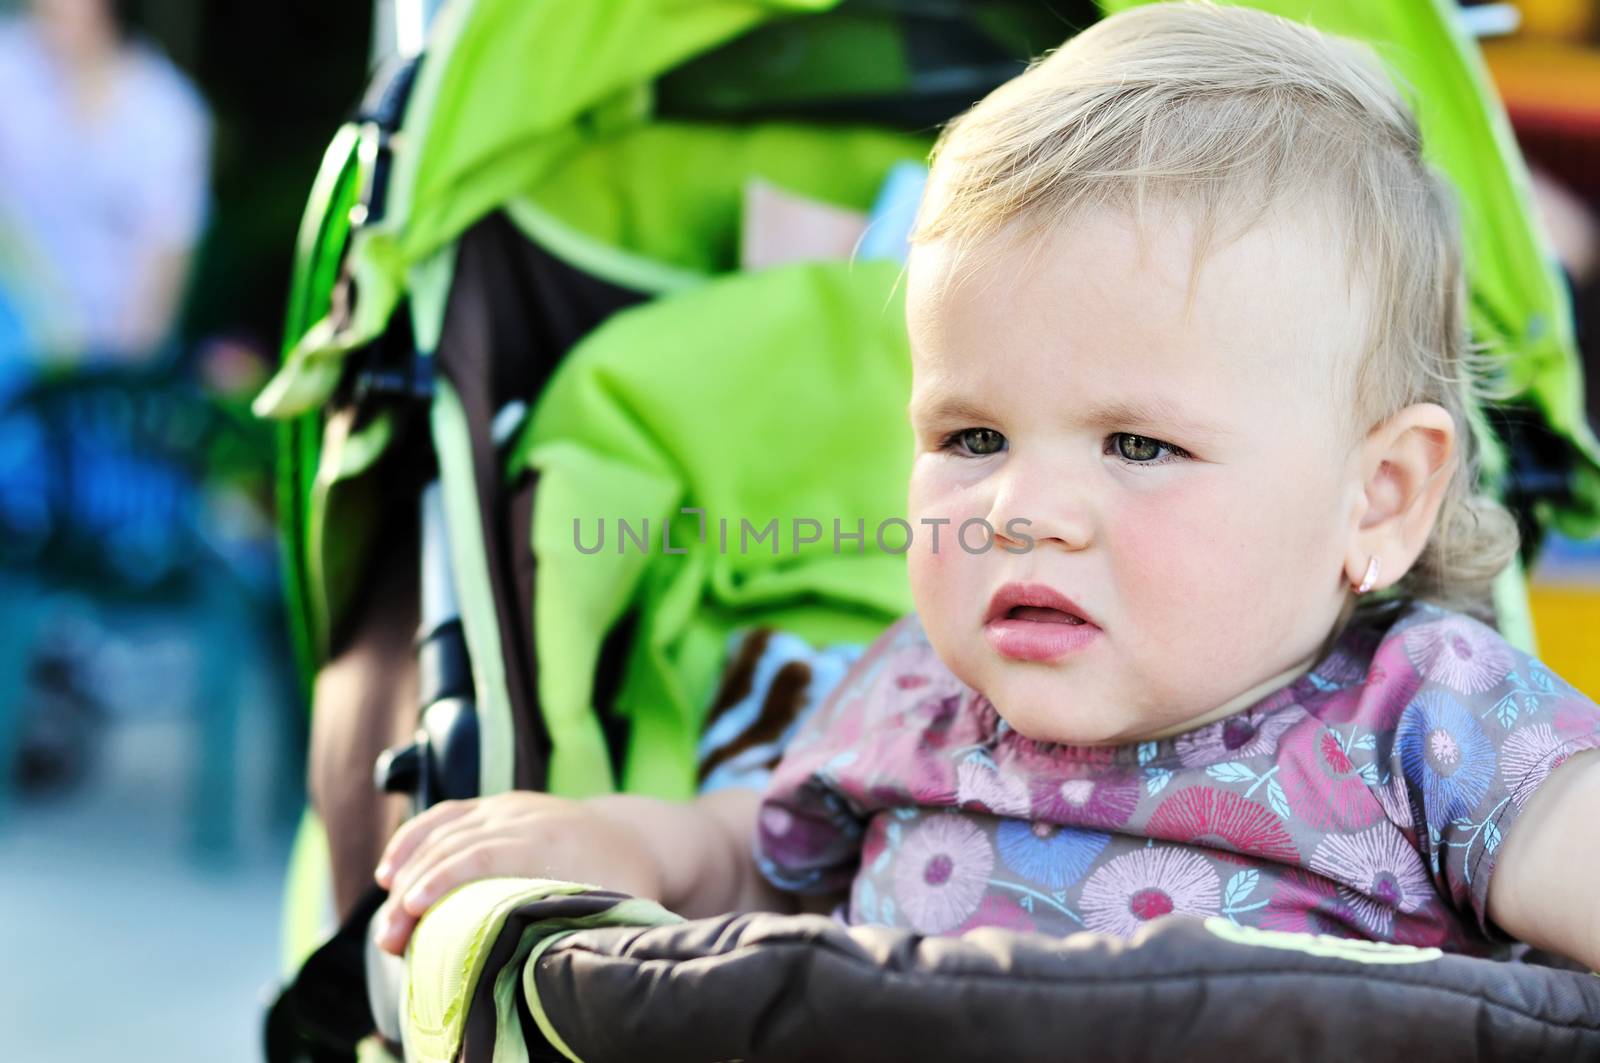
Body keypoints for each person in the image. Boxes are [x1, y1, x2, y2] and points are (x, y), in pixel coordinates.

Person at [369, 3, 1600, 967]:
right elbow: (762, 861)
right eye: (969, 438)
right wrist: (625, 840)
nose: (1018, 506)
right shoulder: (915, 695)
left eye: (1137, 446)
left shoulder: (1427, 719)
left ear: (1377, 498)